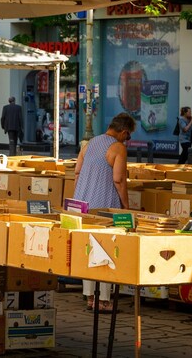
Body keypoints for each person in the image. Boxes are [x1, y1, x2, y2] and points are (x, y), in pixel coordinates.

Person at [73, 112, 135, 313]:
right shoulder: (118, 148)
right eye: (129, 136)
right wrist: (126, 207)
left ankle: (90, 297)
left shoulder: (88, 144)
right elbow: (119, 180)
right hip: (104, 205)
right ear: (123, 132)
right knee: (106, 249)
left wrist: (77, 198)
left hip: (82, 203)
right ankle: (104, 300)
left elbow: (76, 172)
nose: (128, 140)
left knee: (88, 249)